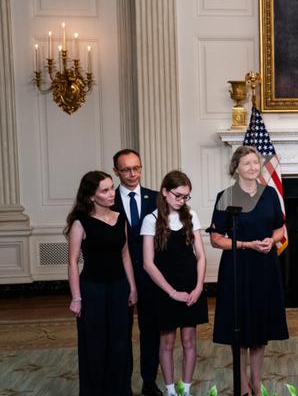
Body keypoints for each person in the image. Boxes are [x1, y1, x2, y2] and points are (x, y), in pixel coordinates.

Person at [209, 146, 289, 396]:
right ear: (236, 168)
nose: (253, 167)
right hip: (238, 268)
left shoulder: (270, 195)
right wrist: (245, 245)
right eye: (247, 164)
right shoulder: (226, 196)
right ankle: (241, 384)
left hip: (265, 267)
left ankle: (257, 382)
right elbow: (215, 238)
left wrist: (270, 240)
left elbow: (280, 229)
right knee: (240, 329)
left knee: (260, 330)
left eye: (256, 163)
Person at [66, 171, 138, 395]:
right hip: (92, 291)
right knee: (95, 346)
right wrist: (76, 298)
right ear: (91, 196)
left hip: (119, 288)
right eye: (105, 190)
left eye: (111, 188)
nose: (111, 193)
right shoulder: (80, 223)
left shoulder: (120, 218)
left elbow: (125, 254)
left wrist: (132, 287)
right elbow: (72, 262)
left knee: (120, 344)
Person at [142, 171, 208, 396]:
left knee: (189, 340)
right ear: (165, 192)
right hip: (165, 289)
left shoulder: (191, 215)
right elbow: (148, 264)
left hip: (191, 286)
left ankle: (185, 389)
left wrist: (199, 287)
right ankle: (170, 390)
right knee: (167, 341)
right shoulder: (151, 220)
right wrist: (172, 293)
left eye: (186, 197)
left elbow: (200, 256)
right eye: (178, 195)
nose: (182, 201)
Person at [112, 149, 162, 396]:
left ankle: (149, 381)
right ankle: (122, 384)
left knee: (150, 331)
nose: (133, 174)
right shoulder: (107, 200)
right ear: (116, 172)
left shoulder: (155, 199)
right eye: (126, 170)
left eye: (137, 168)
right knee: (121, 333)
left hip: (150, 276)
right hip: (118, 277)